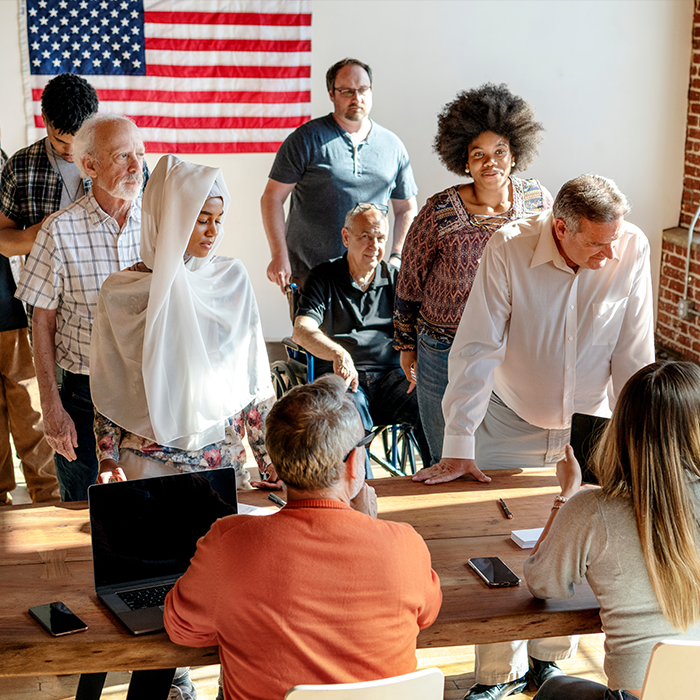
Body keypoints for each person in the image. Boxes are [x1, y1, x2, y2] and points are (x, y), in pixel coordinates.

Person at [414, 174, 655, 700]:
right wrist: (459, 441)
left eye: (614, 238)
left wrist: (640, 442)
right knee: (495, 541)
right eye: (597, 242)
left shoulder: (630, 246)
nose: (609, 252)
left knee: (577, 539)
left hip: (593, 418)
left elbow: (636, 351)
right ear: (561, 227)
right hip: (511, 410)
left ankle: (550, 661)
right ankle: (498, 672)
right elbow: (478, 346)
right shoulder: (508, 247)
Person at [163, 374, 443, 700]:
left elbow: (181, 628)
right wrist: (369, 524)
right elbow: (427, 614)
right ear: (355, 464)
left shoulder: (229, 542)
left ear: (278, 467)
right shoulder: (405, 545)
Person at [90, 154, 275, 491]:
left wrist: (268, 459)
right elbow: (112, 387)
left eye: (219, 219)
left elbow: (254, 380)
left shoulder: (231, 281)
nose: (213, 231)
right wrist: (108, 457)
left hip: (222, 466)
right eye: (201, 219)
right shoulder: (122, 293)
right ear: (170, 217)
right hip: (145, 468)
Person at [394, 84, 552, 465]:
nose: (490, 162)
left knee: (497, 456)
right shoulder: (439, 211)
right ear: (464, 160)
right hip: (443, 350)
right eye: (478, 154)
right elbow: (409, 281)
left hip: (512, 347)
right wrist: (406, 345)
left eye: (499, 152)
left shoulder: (538, 203)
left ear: (515, 154)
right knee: (444, 453)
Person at [525, 361, 700, 700]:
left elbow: (542, 583)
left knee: (552, 689)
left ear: (621, 427)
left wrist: (566, 495)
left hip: (636, 697)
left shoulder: (592, 510)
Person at [15, 114, 145, 501]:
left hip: (149, 393)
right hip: (83, 396)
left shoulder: (159, 225)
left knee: (149, 511)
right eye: (123, 156)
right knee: (85, 510)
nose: (137, 166)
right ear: (89, 165)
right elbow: (41, 323)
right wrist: (51, 406)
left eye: (140, 153)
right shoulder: (58, 230)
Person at [293, 203, 431, 475]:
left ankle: (438, 480)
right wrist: (338, 354)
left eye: (380, 238)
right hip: (344, 378)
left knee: (429, 405)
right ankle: (362, 493)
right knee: (349, 416)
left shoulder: (396, 278)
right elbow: (302, 329)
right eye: (365, 236)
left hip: (392, 377)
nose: (374, 245)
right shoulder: (323, 277)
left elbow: (419, 327)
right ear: (346, 237)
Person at [261, 57, 418, 296]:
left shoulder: (392, 146)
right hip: (311, 275)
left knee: (372, 335)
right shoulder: (306, 139)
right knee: (310, 334)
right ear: (331, 94)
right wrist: (279, 256)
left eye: (363, 90)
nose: (356, 98)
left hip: (372, 277)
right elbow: (271, 198)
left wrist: (397, 256)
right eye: (346, 91)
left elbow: (406, 207)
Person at [0, 131, 59, 505]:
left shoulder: (5, 162)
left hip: (8, 307)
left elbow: (11, 234)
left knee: (29, 408)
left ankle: (48, 496)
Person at [0, 73, 99, 257]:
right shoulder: (19, 167)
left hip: (106, 281)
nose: (70, 150)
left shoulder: (121, 161)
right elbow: (2, 241)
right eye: (60, 140)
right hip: (45, 281)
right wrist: (38, 235)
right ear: (44, 118)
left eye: (79, 141)